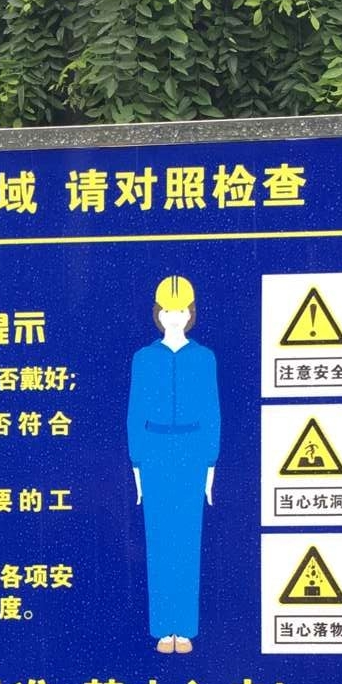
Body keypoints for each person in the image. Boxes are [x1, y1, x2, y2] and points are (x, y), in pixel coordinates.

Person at [126, 275, 220, 653]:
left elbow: (212, 410)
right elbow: (135, 411)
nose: (174, 317)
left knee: (187, 540)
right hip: (154, 451)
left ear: (190, 313)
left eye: (181, 310)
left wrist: (211, 464)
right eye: (168, 310)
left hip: (193, 451)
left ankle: (186, 628)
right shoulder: (144, 359)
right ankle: (165, 629)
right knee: (159, 540)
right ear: (158, 314)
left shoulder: (204, 358)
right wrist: (136, 465)